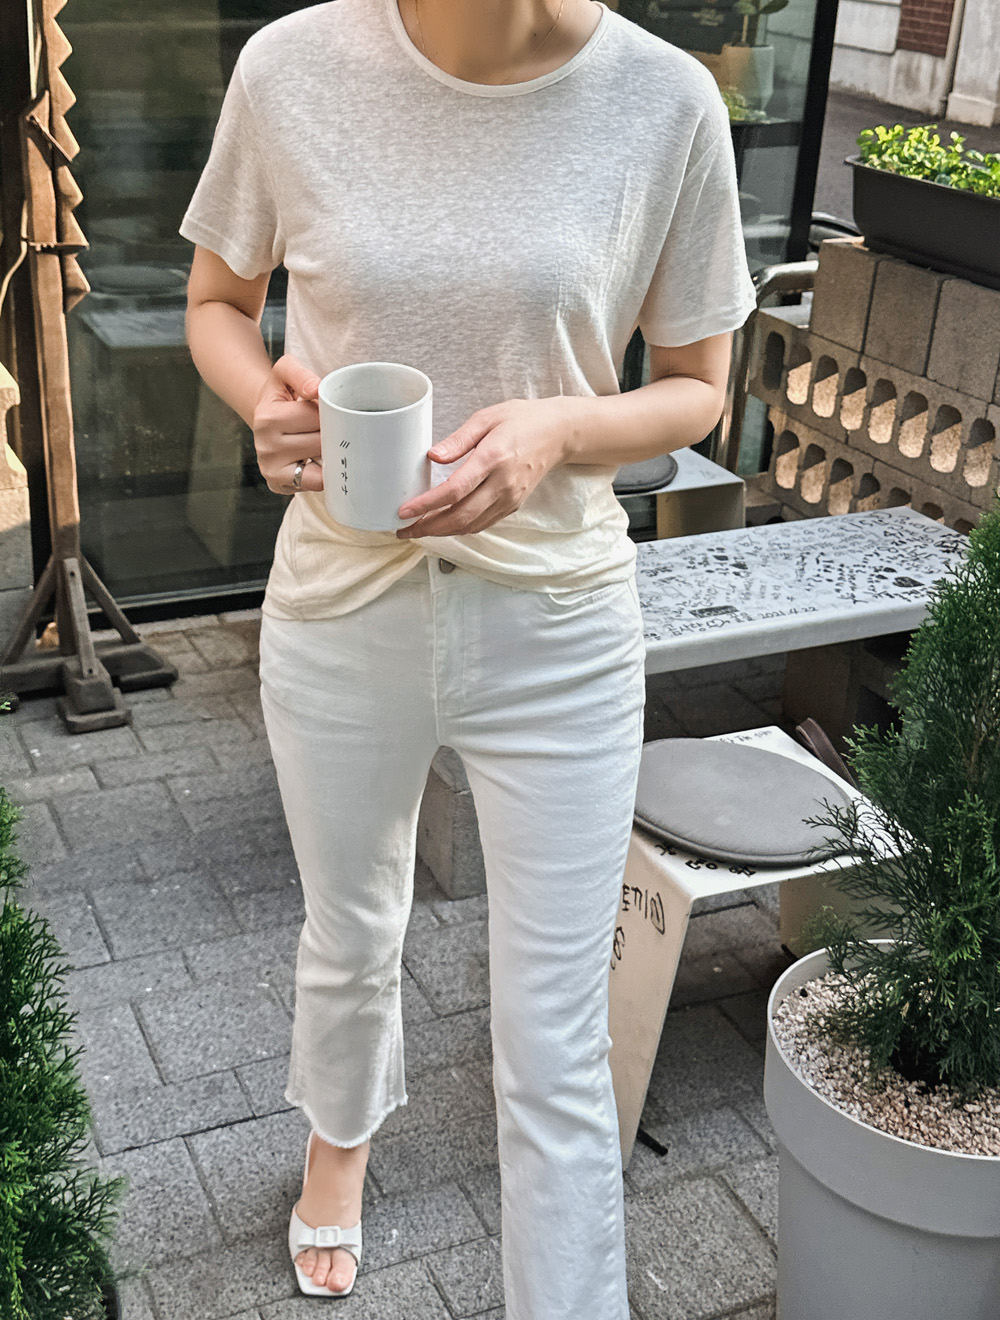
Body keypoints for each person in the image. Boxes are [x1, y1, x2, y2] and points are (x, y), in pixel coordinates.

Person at [181, 0, 755, 1314]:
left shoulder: (666, 100)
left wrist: (558, 431)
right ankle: (337, 1149)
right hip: (341, 601)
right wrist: (263, 396)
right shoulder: (289, 67)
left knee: (555, 1033)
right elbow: (217, 301)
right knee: (349, 930)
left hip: (558, 621)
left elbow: (697, 381)